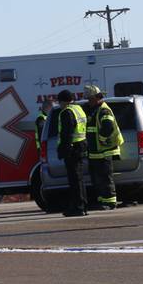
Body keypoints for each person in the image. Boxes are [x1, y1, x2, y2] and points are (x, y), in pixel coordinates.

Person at [84, 85, 125, 210]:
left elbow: (108, 127)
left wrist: (101, 139)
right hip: (96, 152)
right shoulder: (95, 109)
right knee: (98, 178)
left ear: (97, 98)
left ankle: (110, 202)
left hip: (104, 150)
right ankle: (102, 200)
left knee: (105, 177)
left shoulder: (103, 110)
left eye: (90, 99)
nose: (88, 101)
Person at [56, 89, 89, 217]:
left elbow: (66, 133)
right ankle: (83, 205)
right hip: (81, 146)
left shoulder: (67, 112)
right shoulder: (78, 109)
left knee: (74, 179)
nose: (59, 105)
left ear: (64, 101)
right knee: (79, 179)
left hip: (72, 148)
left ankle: (78, 207)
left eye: (60, 102)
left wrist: (64, 149)